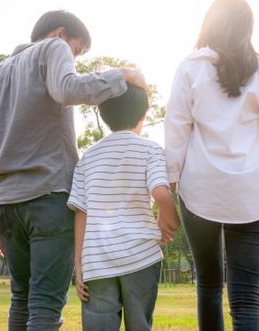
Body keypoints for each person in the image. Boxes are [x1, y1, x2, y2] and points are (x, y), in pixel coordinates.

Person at [0, 10, 146, 331]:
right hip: (48, 197)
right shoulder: (54, 48)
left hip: (5, 207)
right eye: (76, 51)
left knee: (21, 299)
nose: (73, 58)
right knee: (46, 305)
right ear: (60, 34)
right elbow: (67, 89)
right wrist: (122, 76)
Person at [164, 0, 259, 331]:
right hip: (248, 197)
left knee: (208, 286)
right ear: (249, 29)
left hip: (199, 192)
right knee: (246, 298)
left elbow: (175, 134)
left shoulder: (190, 67)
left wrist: (166, 189)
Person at [67, 83, 180, 331]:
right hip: (141, 255)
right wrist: (171, 221)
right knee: (140, 324)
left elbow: (81, 212)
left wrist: (78, 262)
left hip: (97, 260)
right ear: (145, 111)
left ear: (103, 114)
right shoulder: (150, 150)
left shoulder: (88, 157)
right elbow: (160, 191)